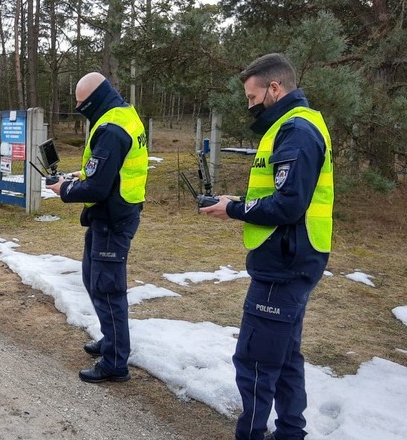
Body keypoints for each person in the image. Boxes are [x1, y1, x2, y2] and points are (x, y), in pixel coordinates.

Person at [200, 53, 334, 440]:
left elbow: (290, 204)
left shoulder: (296, 130)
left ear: (275, 88)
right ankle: (291, 432)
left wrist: (235, 209)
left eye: (252, 96)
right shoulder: (293, 127)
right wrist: (236, 202)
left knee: (255, 360)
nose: (250, 105)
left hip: (285, 262)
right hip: (293, 257)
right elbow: (281, 192)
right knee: (286, 356)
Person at [47, 72, 148, 383]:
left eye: (81, 105)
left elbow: (97, 189)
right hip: (111, 215)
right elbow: (105, 170)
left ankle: (116, 362)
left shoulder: (111, 128)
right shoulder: (121, 114)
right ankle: (111, 339)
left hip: (113, 219)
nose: (79, 110)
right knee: (93, 279)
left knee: (107, 290)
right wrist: (81, 175)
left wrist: (64, 190)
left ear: (94, 100)